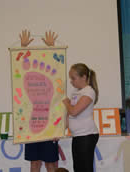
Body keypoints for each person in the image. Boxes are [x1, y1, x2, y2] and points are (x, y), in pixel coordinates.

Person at [20, 29, 59, 172]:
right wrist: (23, 48)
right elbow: (20, 69)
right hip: (32, 126)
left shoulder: (52, 80)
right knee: (35, 164)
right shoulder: (29, 81)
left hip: (49, 126)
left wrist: (52, 48)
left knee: (51, 164)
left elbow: (57, 69)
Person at [63, 63, 99, 172]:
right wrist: (60, 130)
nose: (71, 81)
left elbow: (74, 111)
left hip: (86, 135)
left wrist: (66, 102)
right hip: (78, 136)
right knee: (78, 168)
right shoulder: (75, 93)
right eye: (71, 78)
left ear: (83, 77)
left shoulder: (89, 91)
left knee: (85, 169)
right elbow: (69, 115)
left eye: (73, 78)